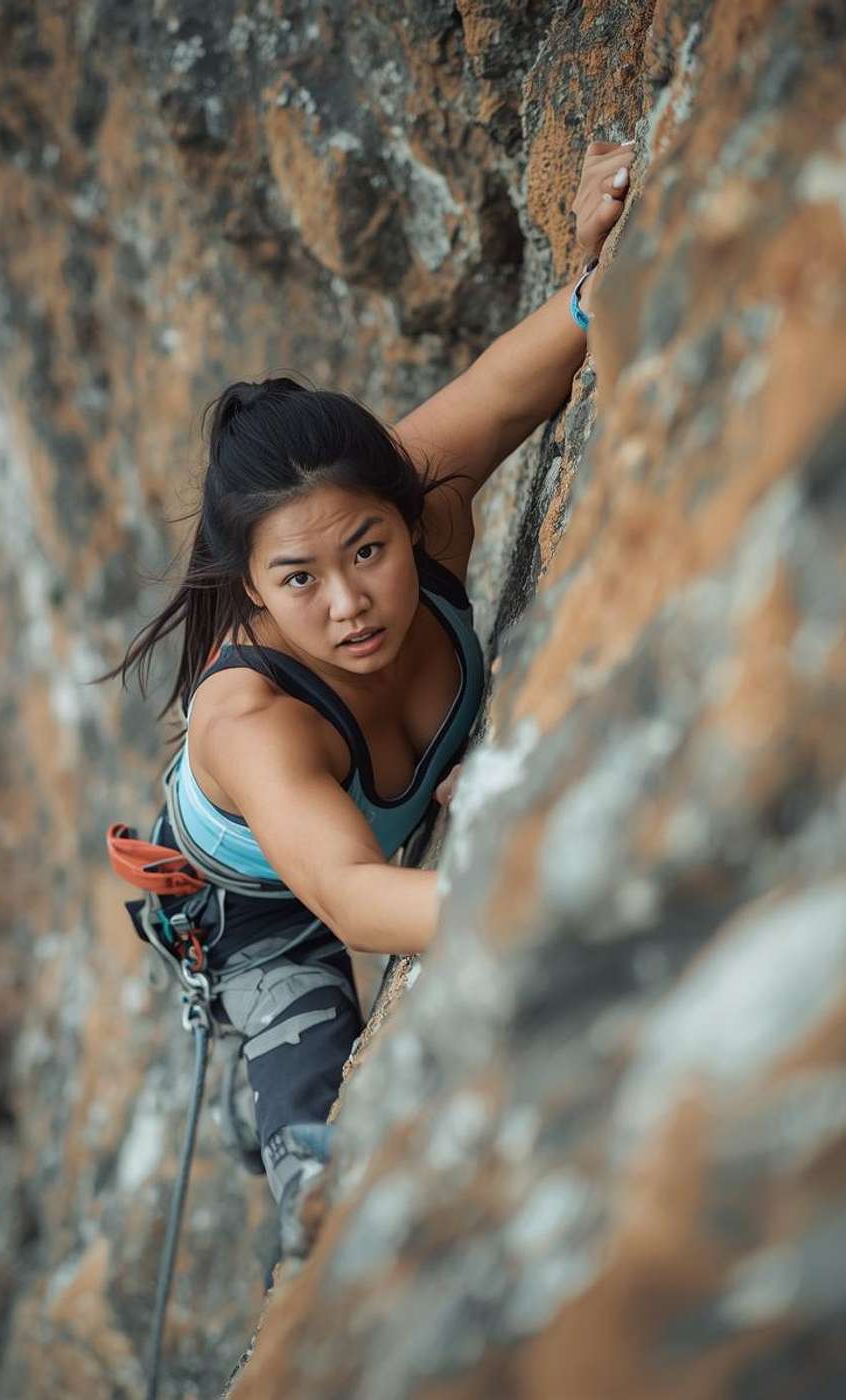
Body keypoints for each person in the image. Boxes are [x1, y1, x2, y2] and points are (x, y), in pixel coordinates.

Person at [104, 140, 635, 1258]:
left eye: (367, 549)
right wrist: (538, 887)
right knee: (309, 1091)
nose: (350, 602)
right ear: (247, 590)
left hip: (363, 847)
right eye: (297, 580)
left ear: (404, 514)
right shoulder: (254, 721)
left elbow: (511, 381)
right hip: (258, 902)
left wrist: (600, 270)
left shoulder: (421, 502)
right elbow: (346, 895)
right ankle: (284, 1136)